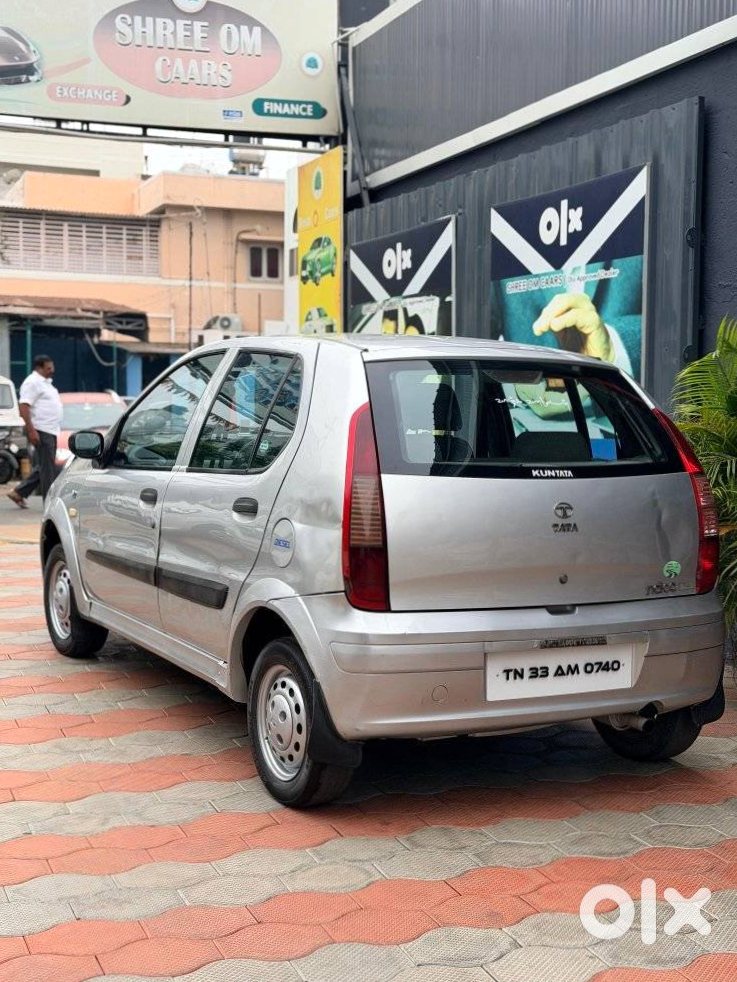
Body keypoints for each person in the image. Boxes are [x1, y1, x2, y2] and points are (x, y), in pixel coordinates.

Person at [7, 355, 62, 509]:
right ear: (39, 368)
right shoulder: (33, 383)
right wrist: (31, 430)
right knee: (48, 469)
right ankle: (50, 504)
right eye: (48, 368)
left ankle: (19, 492)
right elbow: (24, 406)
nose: (52, 371)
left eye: (52, 367)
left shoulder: (46, 383)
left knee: (46, 466)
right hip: (41, 429)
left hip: (50, 430)